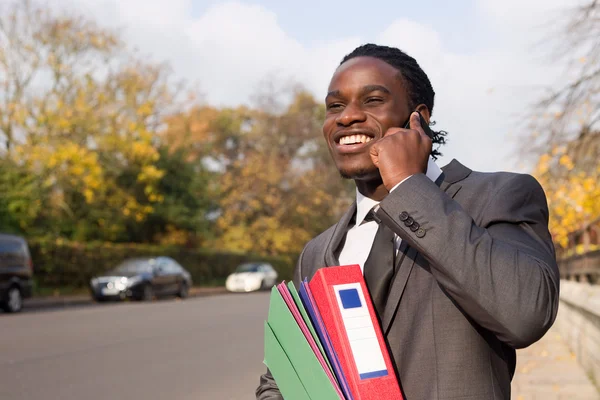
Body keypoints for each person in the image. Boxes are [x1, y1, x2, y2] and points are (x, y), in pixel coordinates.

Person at [255, 43, 559, 400]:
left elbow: (526, 315)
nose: (346, 117)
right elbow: (283, 376)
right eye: (335, 106)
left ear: (419, 119)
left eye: (372, 100)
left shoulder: (498, 195)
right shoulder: (318, 252)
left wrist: (406, 188)